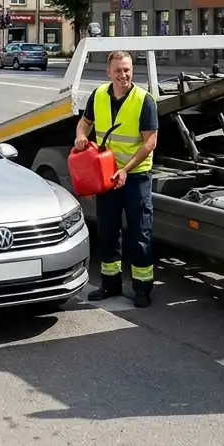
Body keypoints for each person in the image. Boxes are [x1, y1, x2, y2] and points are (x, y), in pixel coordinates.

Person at [73, 51, 160, 307]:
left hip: (135, 176)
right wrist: (80, 135)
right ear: (108, 72)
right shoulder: (99, 95)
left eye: (128, 70)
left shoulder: (144, 100)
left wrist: (126, 169)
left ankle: (142, 289)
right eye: (119, 70)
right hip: (106, 176)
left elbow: (150, 142)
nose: (124, 75)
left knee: (139, 233)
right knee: (108, 231)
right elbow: (84, 122)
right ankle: (110, 285)